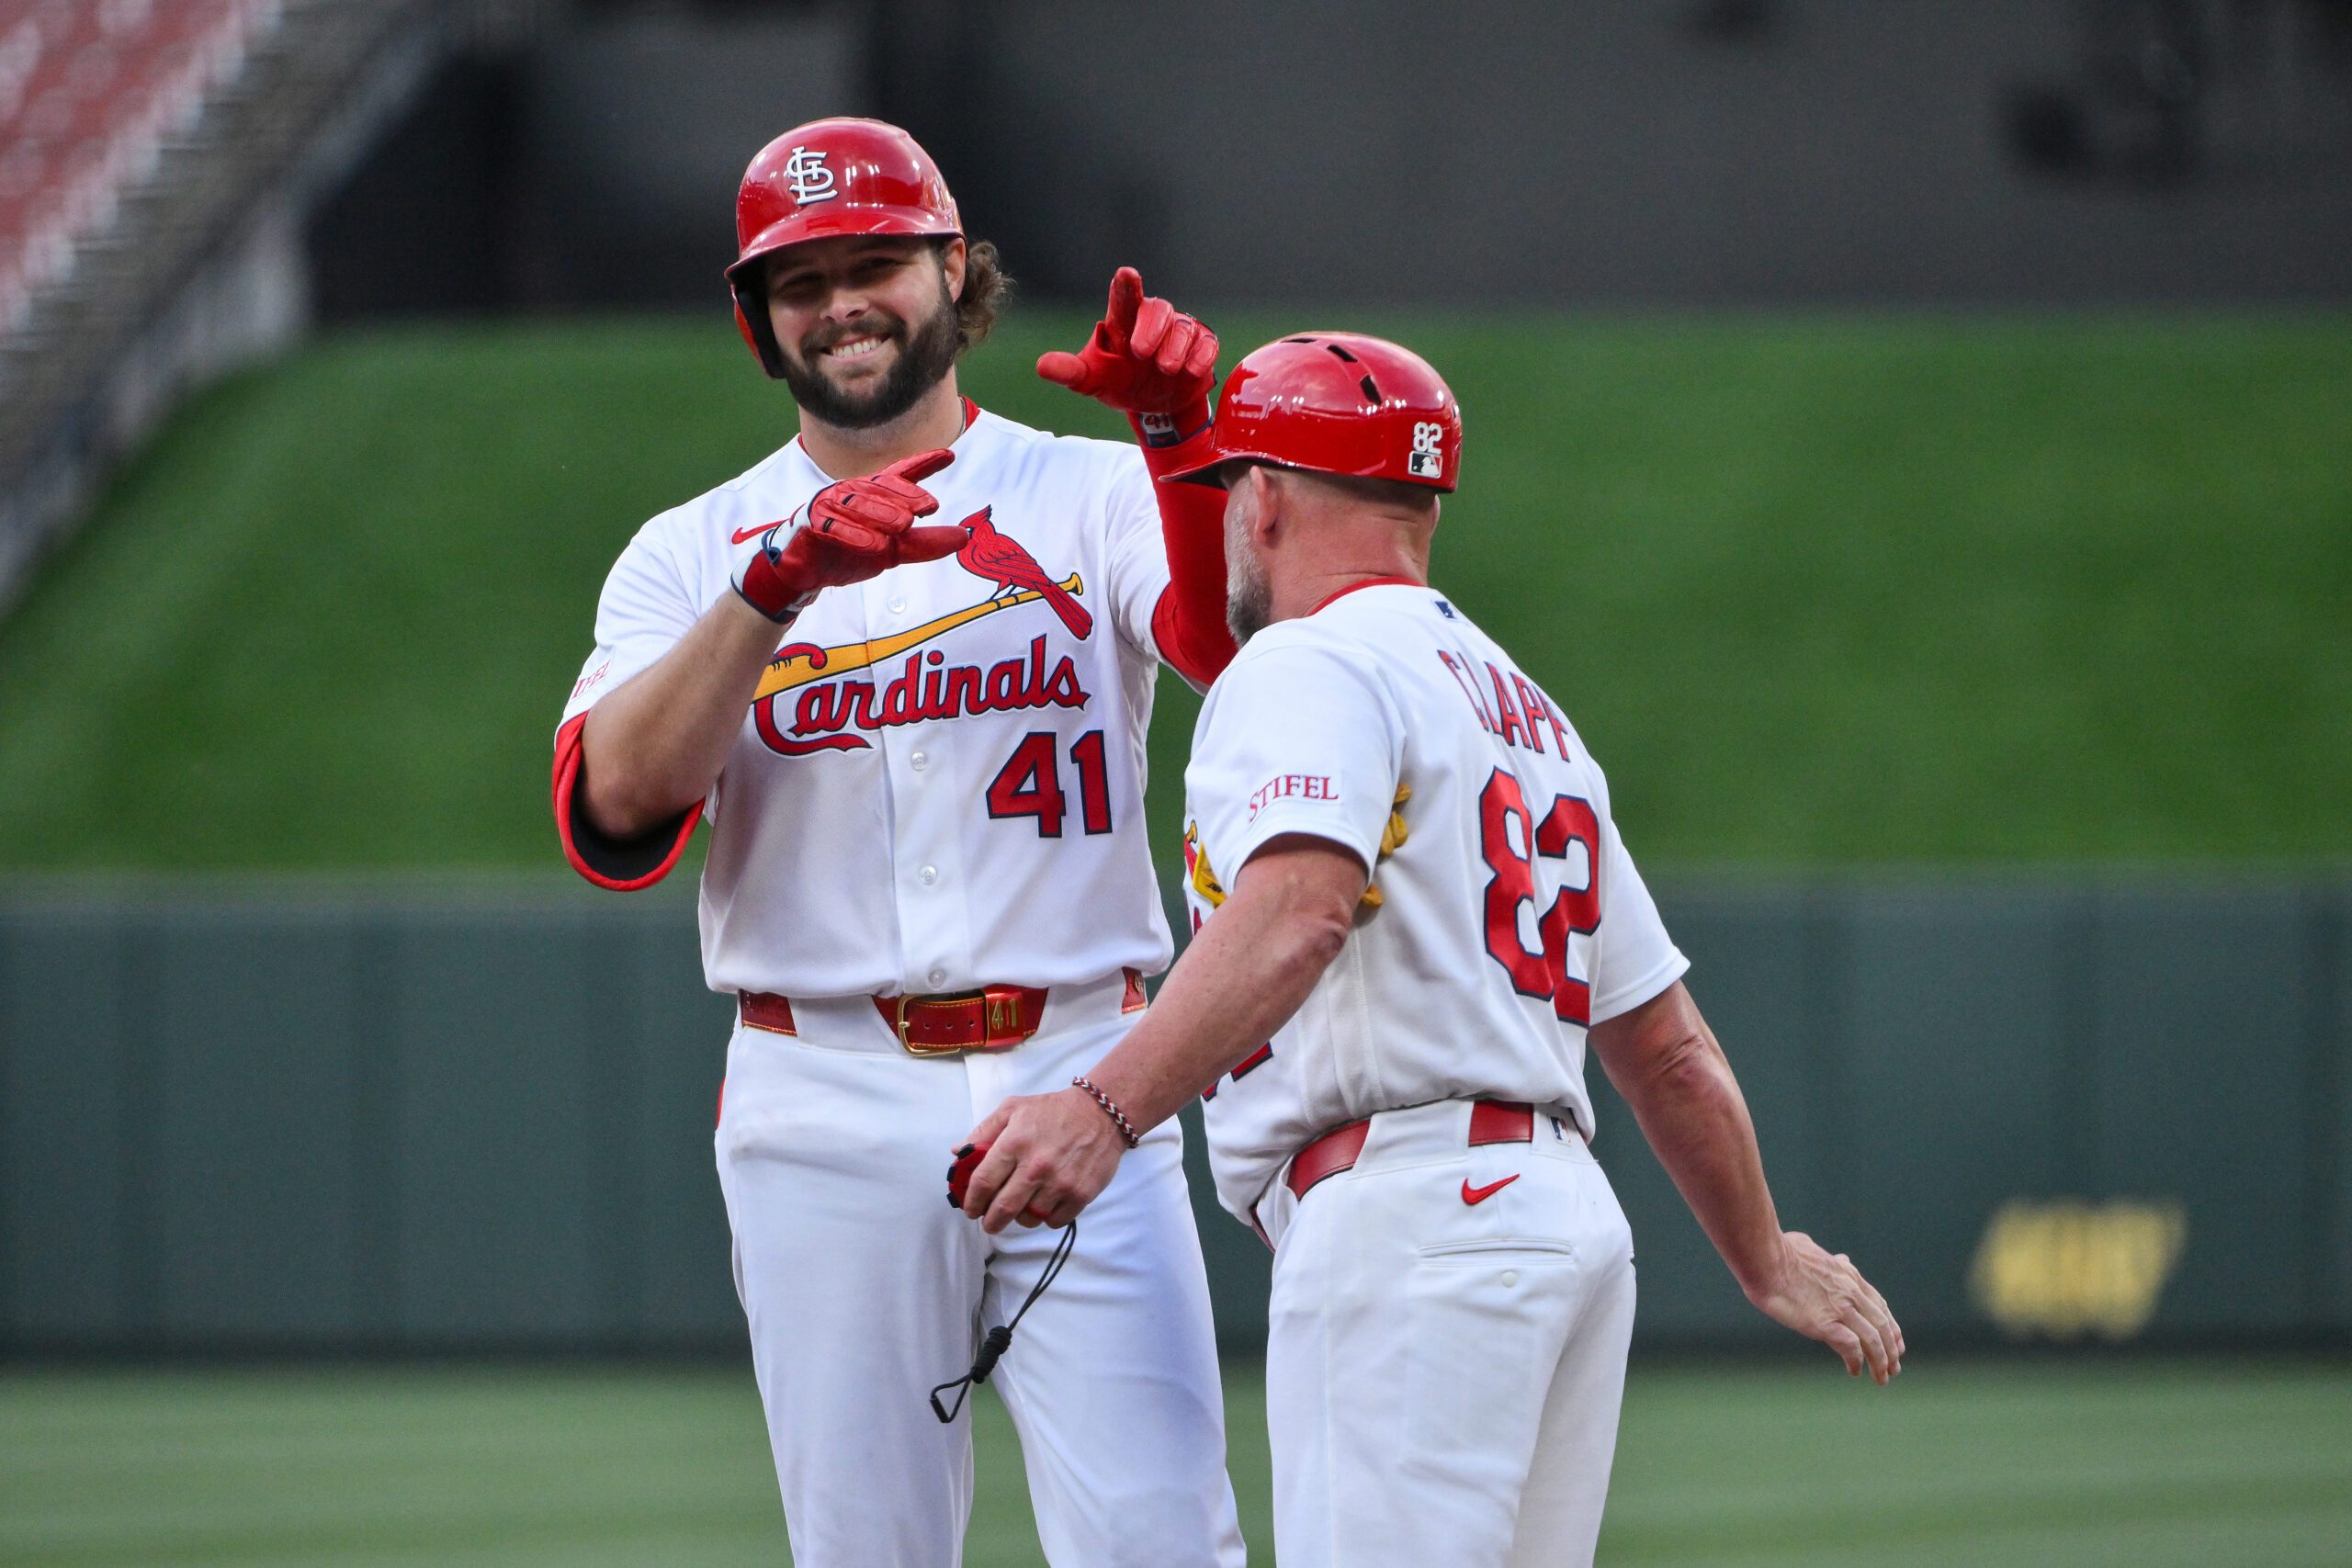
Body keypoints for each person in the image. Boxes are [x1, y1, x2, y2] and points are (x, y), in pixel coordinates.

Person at [958, 332, 1904, 1568]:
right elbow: (1666, 1049)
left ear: (1270, 496)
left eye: (1235, 483)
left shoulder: (1307, 658)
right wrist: (1760, 1251)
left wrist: (1102, 1105)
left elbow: (1298, 912)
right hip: (1564, 1228)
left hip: (1415, 1218)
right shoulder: (1526, 710)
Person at [549, 117, 1247, 1567]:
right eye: (799, 283)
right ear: (760, 325)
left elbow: (1222, 651)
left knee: (1161, 1542)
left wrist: (1182, 448)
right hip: (825, 1089)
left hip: (1083, 1072)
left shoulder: (1088, 489)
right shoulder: (696, 549)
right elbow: (618, 806)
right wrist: (772, 589)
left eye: (874, 263)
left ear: (952, 275)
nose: (840, 303)